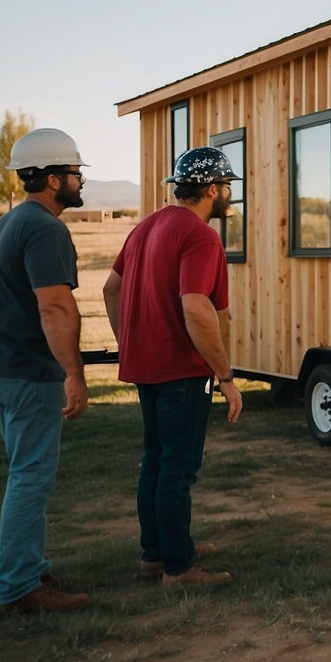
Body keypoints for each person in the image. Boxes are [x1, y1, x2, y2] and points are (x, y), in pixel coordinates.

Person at [103, 147, 243, 589]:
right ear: (209, 189)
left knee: (156, 463)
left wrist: (130, 342)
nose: (229, 194)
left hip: (146, 367)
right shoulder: (201, 236)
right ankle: (180, 569)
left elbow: (111, 290)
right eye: (226, 186)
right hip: (183, 371)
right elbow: (197, 308)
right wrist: (225, 377)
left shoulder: (146, 226)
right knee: (178, 470)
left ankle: (156, 555)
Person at [0, 128, 92, 615]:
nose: (80, 179)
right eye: (74, 172)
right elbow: (56, 310)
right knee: (30, 478)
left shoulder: (10, 222)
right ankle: (21, 588)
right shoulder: (44, 228)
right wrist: (74, 373)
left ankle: (29, 567)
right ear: (50, 178)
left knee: (26, 474)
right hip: (27, 375)